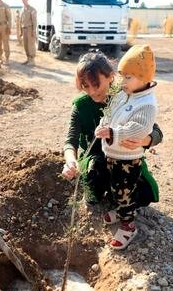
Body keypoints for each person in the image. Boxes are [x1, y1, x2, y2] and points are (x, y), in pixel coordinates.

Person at [62, 50, 162, 248]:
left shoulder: (126, 96)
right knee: (94, 181)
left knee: (142, 193)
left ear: (110, 77)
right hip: (96, 159)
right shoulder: (81, 106)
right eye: (85, 86)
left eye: (96, 84)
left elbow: (156, 131)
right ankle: (113, 200)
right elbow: (70, 140)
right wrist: (70, 161)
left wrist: (145, 140)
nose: (91, 91)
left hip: (124, 157)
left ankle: (123, 210)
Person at [94, 45, 158, 250]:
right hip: (113, 154)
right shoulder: (123, 95)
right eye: (122, 76)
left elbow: (139, 128)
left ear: (145, 78)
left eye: (129, 77)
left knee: (125, 190)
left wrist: (114, 133)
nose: (123, 82)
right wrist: (103, 125)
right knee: (115, 186)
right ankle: (121, 210)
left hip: (127, 159)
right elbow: (109, 113)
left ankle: (128, 224)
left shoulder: (146, 103)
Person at [20, 0, 37, 66]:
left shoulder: (32, 9)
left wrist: (34, 31)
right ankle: (28, 59)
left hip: (30, 28)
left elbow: (34, 21)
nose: (24, 0)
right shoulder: (22, 9)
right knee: (25, 45)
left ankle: (32, 60)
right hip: (24, 29)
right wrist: (21, 31)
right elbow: (21, 21)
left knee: (31, 44)